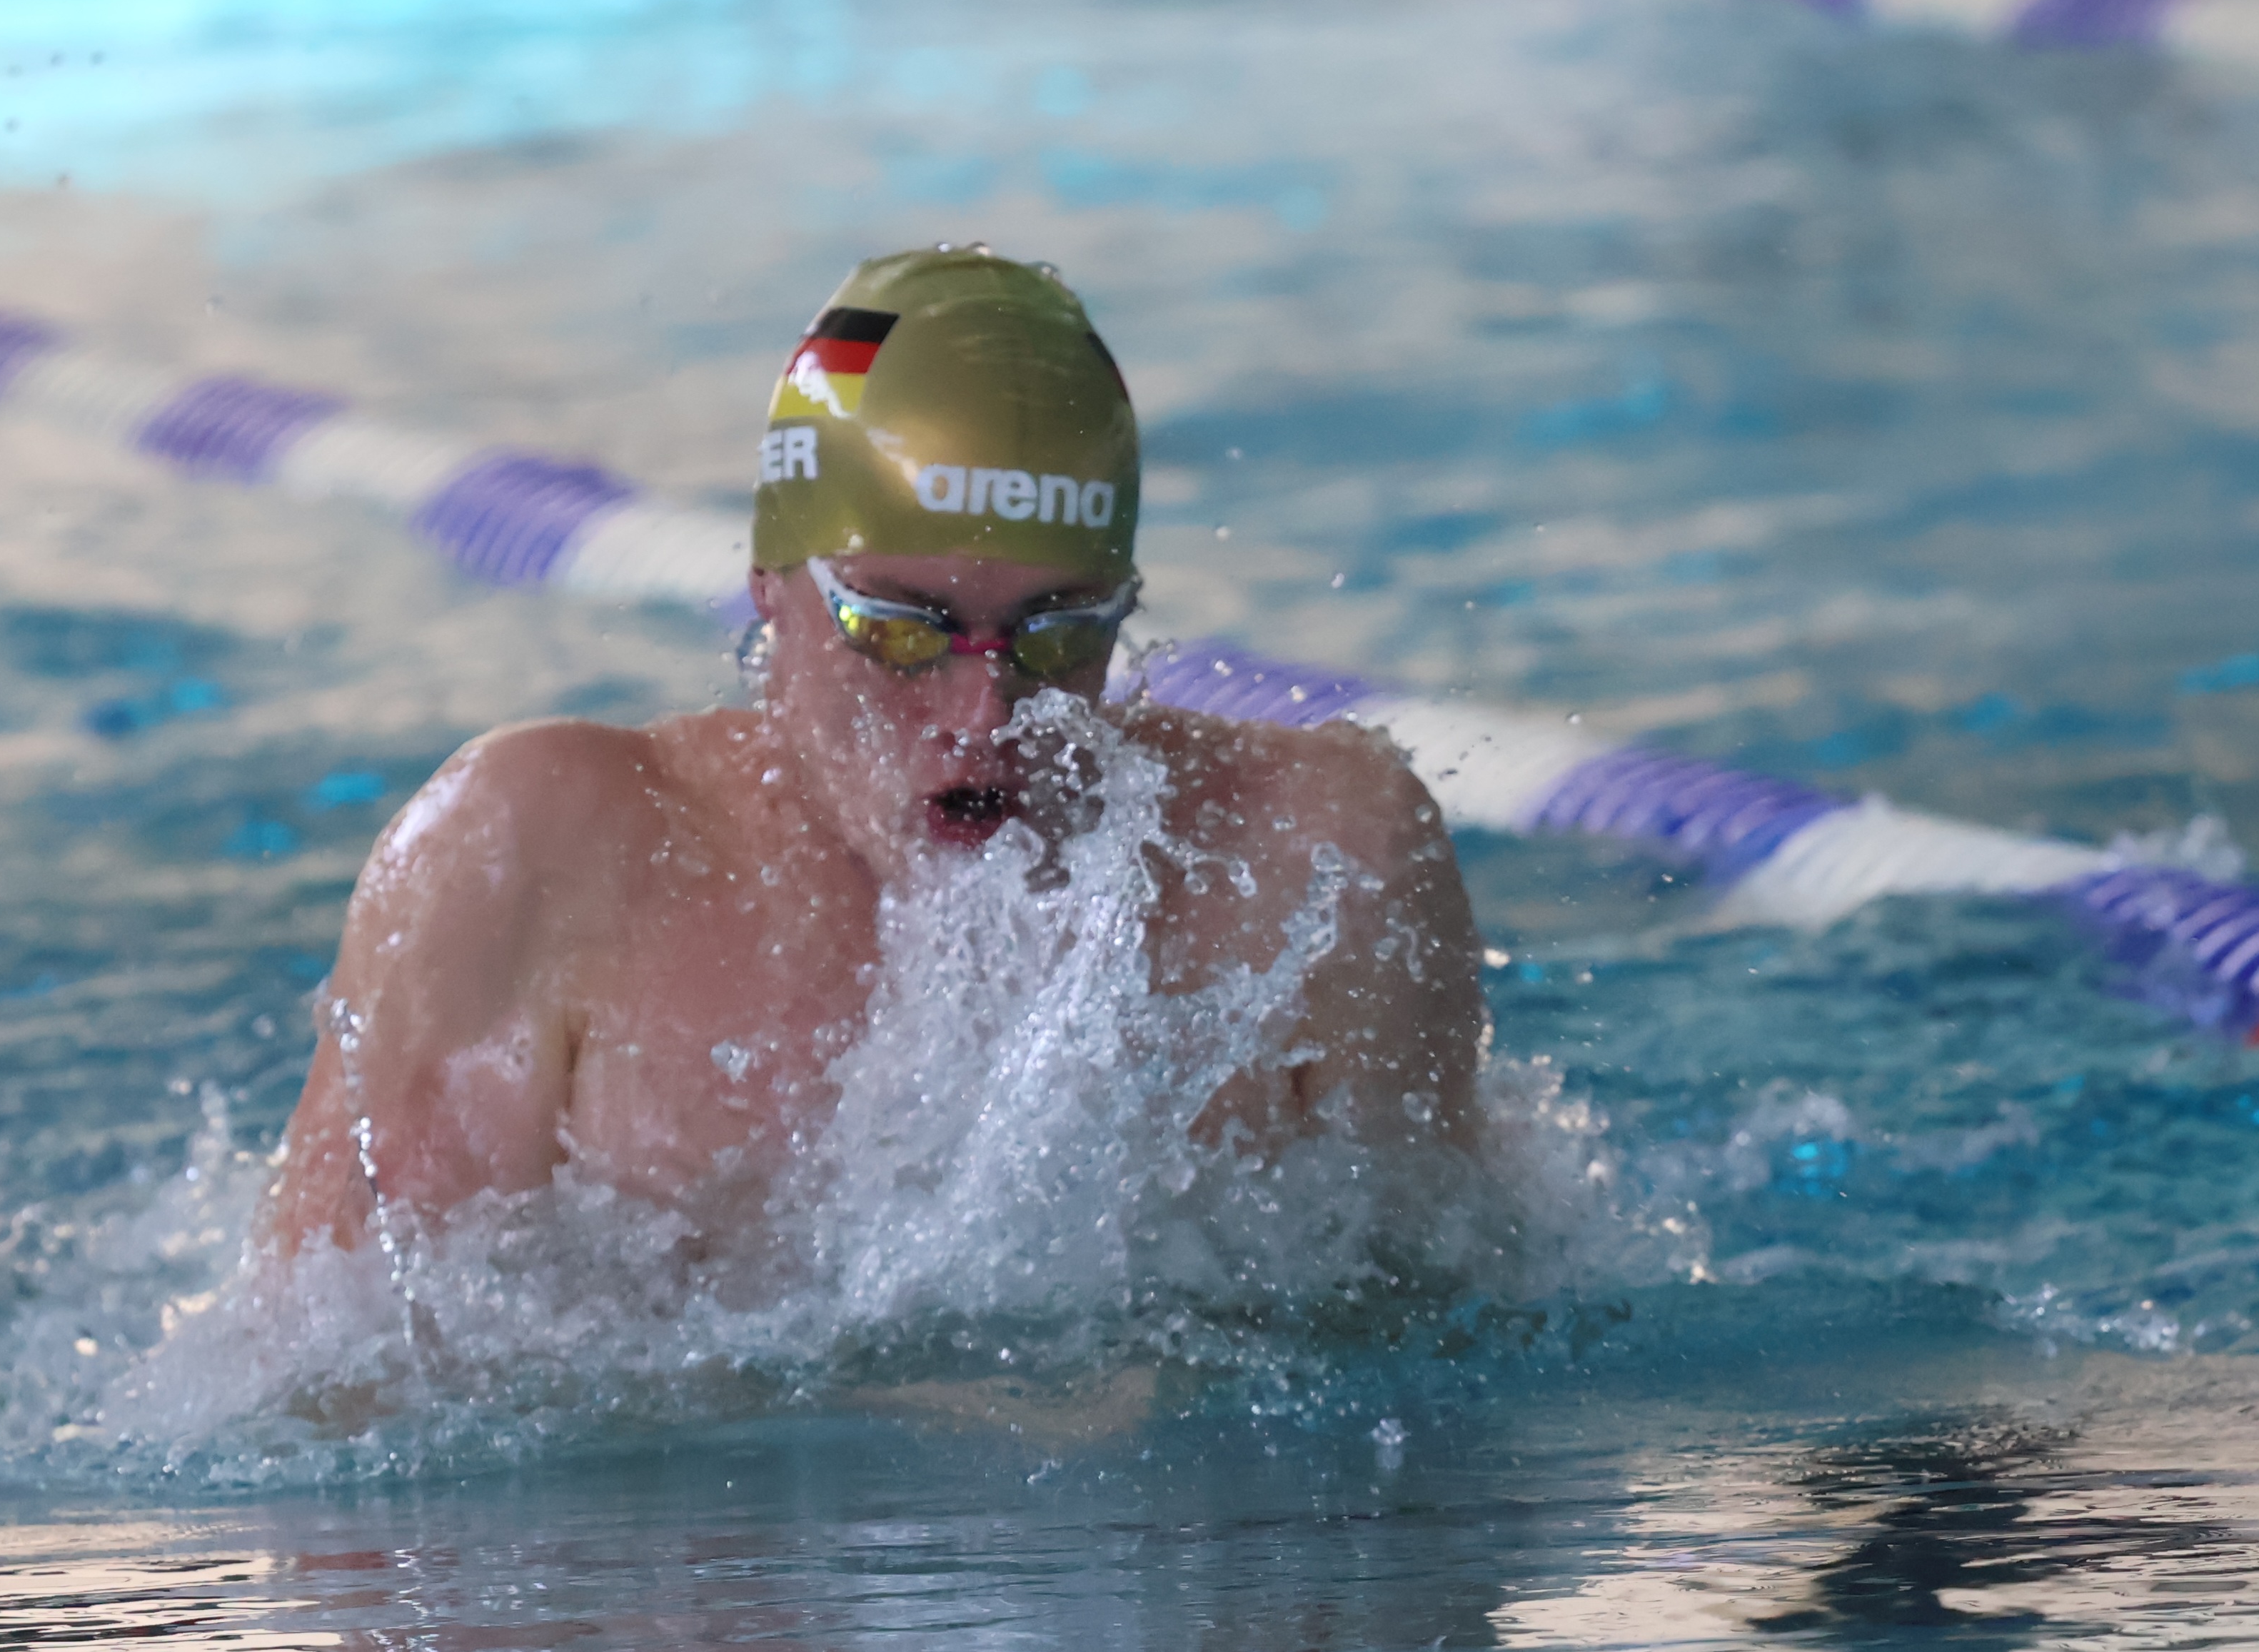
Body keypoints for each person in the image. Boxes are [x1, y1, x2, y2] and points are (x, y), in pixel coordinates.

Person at [261, 247, 1480, 1261]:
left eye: (1058, 635)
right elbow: (325, 1408)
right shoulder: (528, 860)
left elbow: (1444, 1347)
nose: (984, 712)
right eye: (901, 630)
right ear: (769, 584)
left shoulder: (1316, 869)